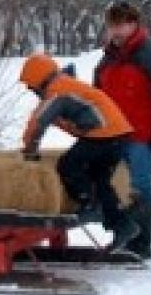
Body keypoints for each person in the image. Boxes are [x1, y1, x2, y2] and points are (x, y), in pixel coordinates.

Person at [18, 52, 139, 254]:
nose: (32, 91)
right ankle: (123, 225)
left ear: (39, 80)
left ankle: (88, 202)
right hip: (120, 134)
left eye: (31, 87)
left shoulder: (57, 90)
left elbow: (38, 122)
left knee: (68, 165)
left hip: (103, 133)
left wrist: (30, 150)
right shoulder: (67, 85)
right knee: (100, 179)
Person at [93, 2, 151, 259]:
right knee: (117, 186)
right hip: (112, 136)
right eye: (112, 26)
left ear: (134, 25)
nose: (116, 31)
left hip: (143, 135)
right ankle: (124, 235)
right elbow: (96, 97)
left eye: (121, 25)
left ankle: (142, 242)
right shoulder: (106, 60)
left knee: (141, 187)